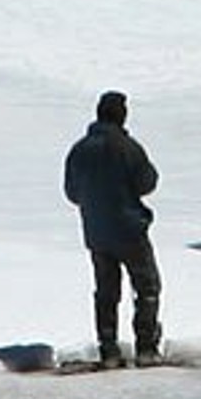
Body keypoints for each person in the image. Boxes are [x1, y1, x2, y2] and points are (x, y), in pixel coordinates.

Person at [63, 91, 164, 368]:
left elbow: (71, 192)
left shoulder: (79, 149)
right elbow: (148, 182)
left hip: (96, 233)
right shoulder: (127, 147)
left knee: (106, 291)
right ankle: (146, 347)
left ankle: (109, 349)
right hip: (129, 229)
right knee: (147, 287)